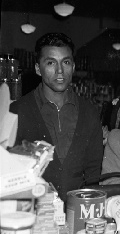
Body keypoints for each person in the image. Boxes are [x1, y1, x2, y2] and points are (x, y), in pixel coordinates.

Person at [9, 33, 103, 202]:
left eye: (66, 62)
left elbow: (94, 170)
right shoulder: (16, 111)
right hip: (33, 211)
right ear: (38, 68)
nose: (60, 70)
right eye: (51, 62)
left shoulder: (89, 112)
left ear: (73, 67)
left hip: (79, 210)